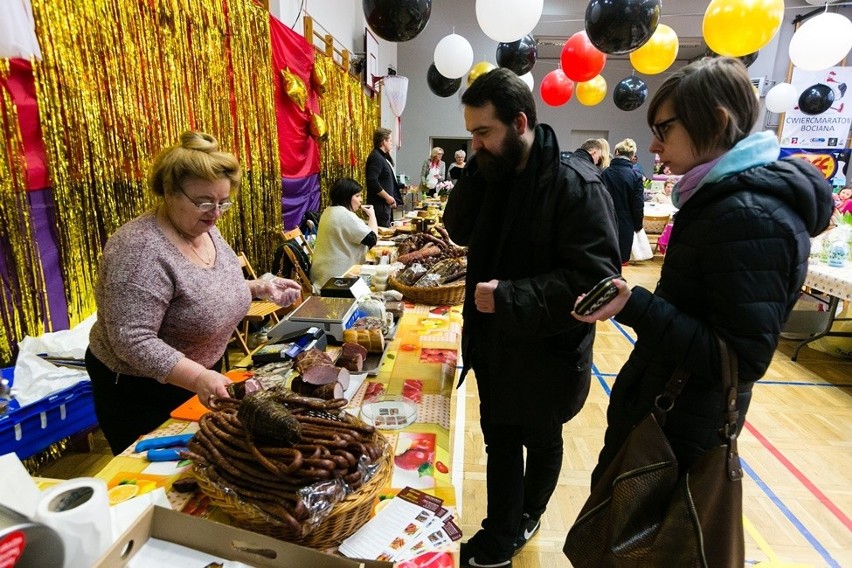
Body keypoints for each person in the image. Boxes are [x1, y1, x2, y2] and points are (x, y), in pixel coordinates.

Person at [572, 57, 833, 559]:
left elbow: (739, 359)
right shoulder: (721, 201)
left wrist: (636, 306)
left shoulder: (750, 215)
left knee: (641, 546)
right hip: (665, 416)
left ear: (714, 121)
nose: (653, 145)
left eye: (663, 129)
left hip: (682, 432)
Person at [442, 67, 620, 567]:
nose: (475, 143)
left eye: (483, 133)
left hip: (548, 350)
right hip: (496, 345)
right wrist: (476, 169)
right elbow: (458, 228)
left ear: (519, 123)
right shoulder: (493, 171)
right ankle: (501, 526)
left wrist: (509, 297)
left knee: (541, 438)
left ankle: (524, 517)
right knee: (499, 438)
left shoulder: (575, 184)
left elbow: (595, 282)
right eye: (471, 133)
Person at [86, 131, 302, 454]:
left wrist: (259, 287)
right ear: (170, 191)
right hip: (142, 393)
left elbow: (203, 290)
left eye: (222, 203)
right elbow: (132, 339)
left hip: (199, 380)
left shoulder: (205, 228)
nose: (215, 213)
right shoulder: (140, 250)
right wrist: (199, 376)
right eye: (204, 202)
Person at [310, 178, 378, 290]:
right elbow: (372, 239)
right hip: (337, 279)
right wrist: (372, 215)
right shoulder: (344, 214)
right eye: (357, 196)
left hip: (321, 275)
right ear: (346, 196)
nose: (361, 200)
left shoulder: (328, 211)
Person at [601, 138, 645, 265]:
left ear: (616, 152)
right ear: (632, 156)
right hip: (626, 224)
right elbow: (638, 205)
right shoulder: (635, 176)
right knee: (620, 262)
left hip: (605, 221)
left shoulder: (605, 173)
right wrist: (638, 225)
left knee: (604, 261)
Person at [365, 127, 403, 227]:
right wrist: (387, 197)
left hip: (385, 205)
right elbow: (372, 181)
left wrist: (393, 197)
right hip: (379, 206)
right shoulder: (376, 157)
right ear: (383, 141)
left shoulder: (382, 157)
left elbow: (386, 180)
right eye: (390, 140)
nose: (392, 143)